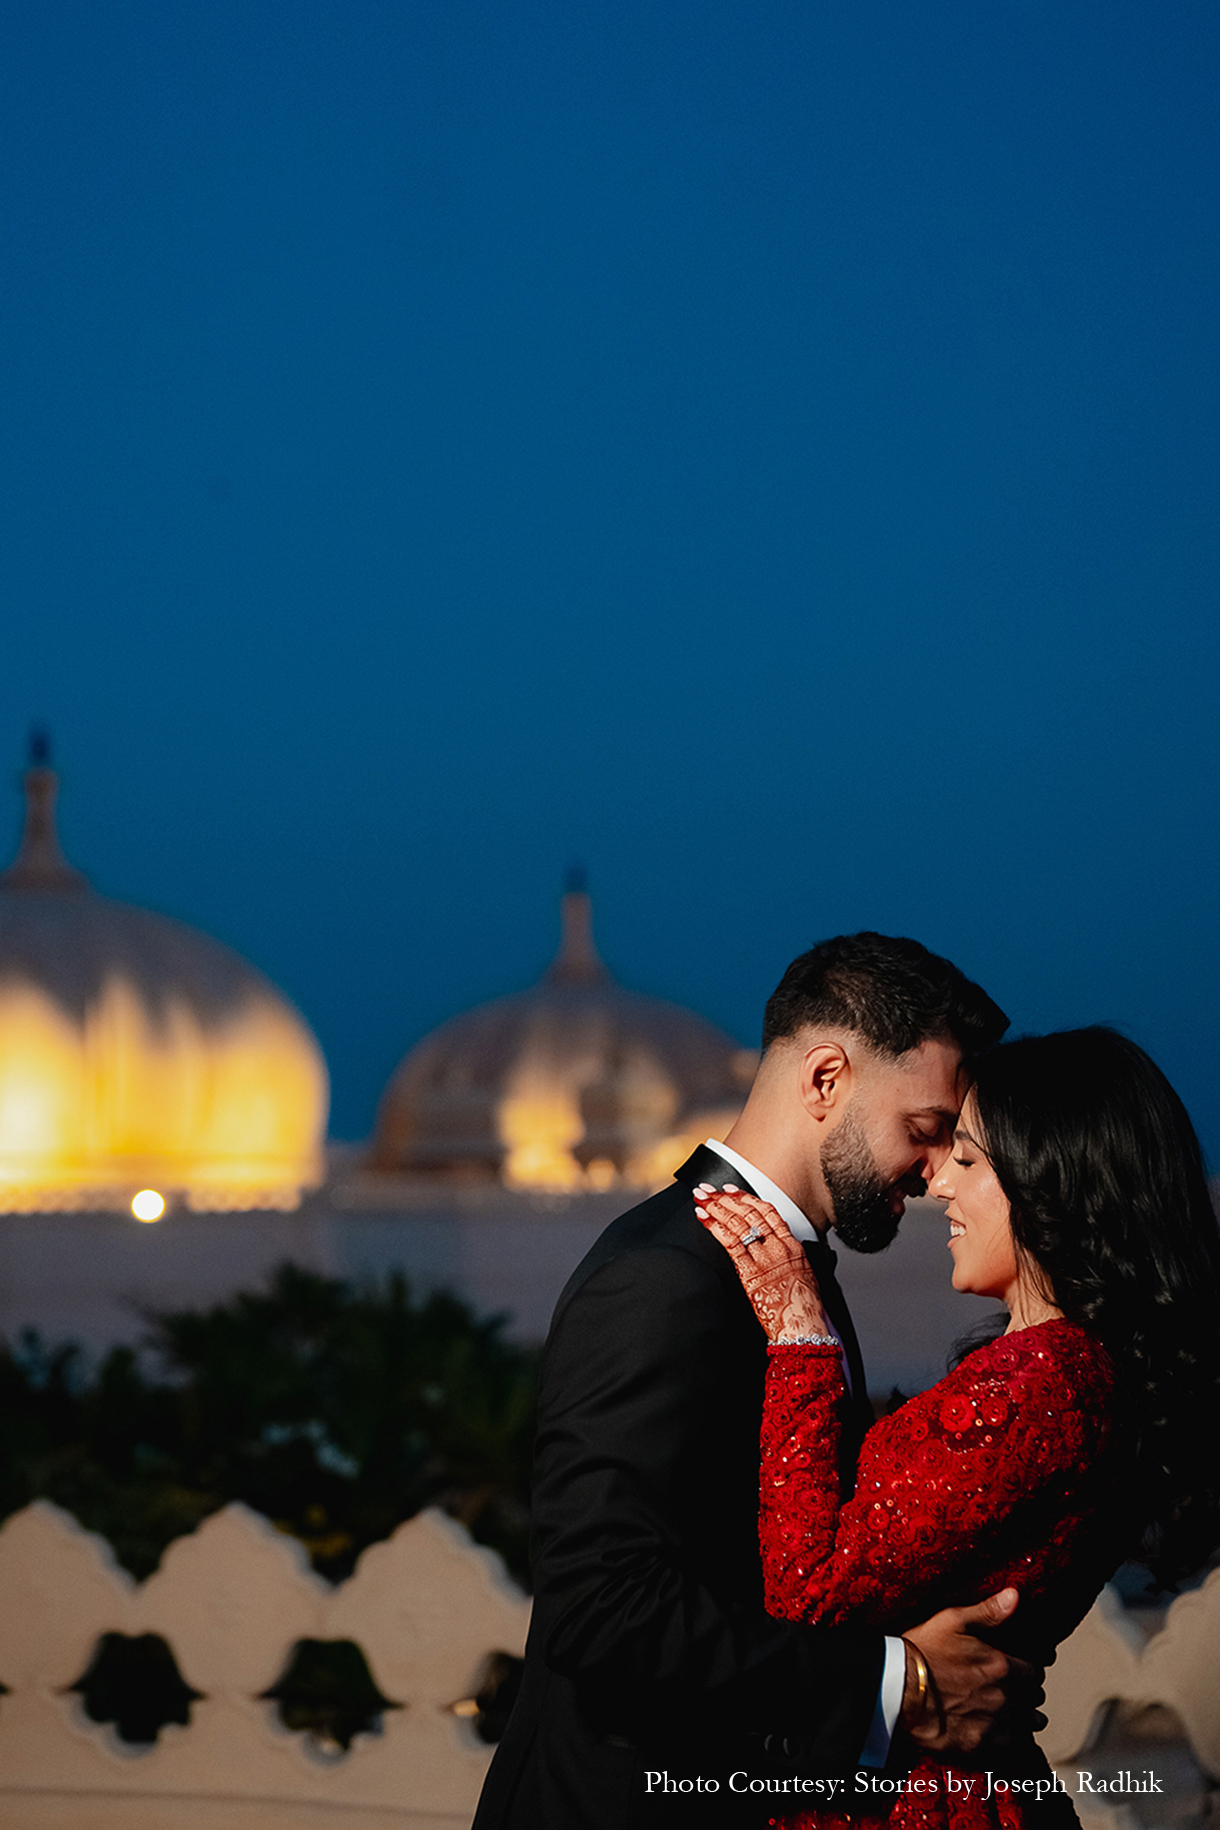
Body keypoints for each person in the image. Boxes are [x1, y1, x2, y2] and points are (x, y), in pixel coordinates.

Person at [474, 933, 1025, 1830]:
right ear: (824, 1080)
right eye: (923, 1132)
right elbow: (602, 1609)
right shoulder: (667, 1276)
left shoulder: (785, 1270)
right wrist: (896, 1681)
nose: (931, 1177)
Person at [697, 1026, 1220, 1830]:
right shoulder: (1072, 1371)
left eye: (969, 1159)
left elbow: (805, 1595)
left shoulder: (1036, 1387)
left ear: (1053, 1184)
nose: (937, 1181)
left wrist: (800, 1338)